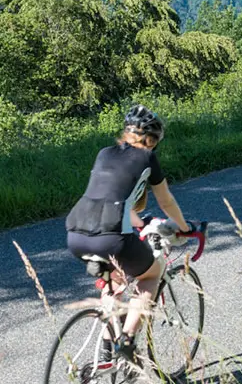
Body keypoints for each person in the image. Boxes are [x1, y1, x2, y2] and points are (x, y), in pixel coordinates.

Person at [66, 105, 191, 367]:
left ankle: (105, 350)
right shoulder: (147, 158)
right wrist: (183, 227)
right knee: (151, 274)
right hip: (111, 235)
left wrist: (139, 222)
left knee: (115, 283)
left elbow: (113, 198)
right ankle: (126, 341)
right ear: (153, 140)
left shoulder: (104, 154)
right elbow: (166, 201)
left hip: (76, 232)